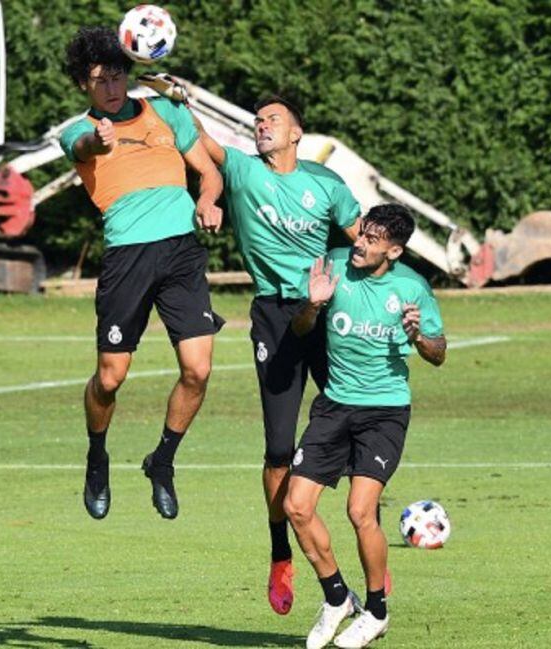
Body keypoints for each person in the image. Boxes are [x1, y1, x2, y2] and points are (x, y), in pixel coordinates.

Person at [192, 95, 362, 615]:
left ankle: (369, 551)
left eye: (273, 120)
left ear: (296, 134)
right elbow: (199, 143)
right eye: (258, 120)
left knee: (358, 427)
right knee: (278, 449)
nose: (262, 126)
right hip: (275, 317)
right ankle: (279, 553)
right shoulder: (243, 171)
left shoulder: (326, 184)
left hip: (329, 314)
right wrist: (177, 101)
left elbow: (366, 244)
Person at [62, 27, 224, 522]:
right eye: (98, 79)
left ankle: (163, 462)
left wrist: (207, 198)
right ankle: (97, 457)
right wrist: (98, 138)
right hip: (127, 257)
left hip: (180, 253)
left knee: (198, 370)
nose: (110, 86)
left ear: (127, 74)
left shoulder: (166, 111)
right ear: (83, 86)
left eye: (116, 76)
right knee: (110, 379)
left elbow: (210, 170)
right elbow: (84, 146)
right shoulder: (77, 129)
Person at [284, 203, 446, 649]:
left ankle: (376, 611)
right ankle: (337, 597)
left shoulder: (412, 288)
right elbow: (299, 329)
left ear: (392, 251)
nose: (360, 243)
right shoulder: (333, 265)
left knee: (360, 511)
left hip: (385, 412)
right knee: (296, 506)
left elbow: (439, 352)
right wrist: (312, 305)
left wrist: (417, 337)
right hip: (334, 406)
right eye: (362, 234)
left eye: (372, 240)